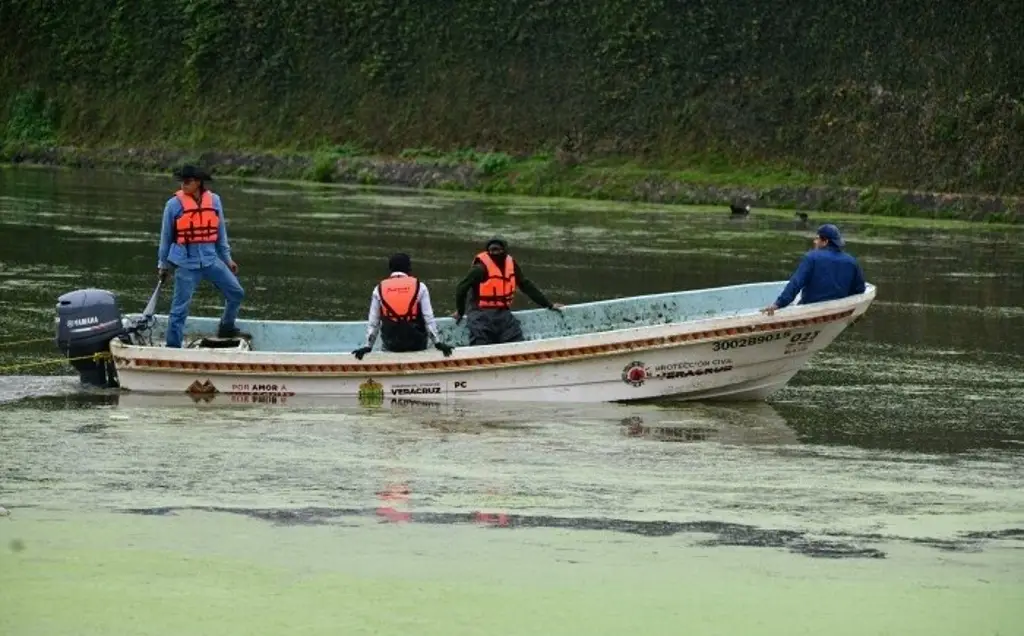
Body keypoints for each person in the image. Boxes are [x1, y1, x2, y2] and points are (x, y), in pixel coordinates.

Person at [157, 165, 245, 348]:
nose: (183, 184)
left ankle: (226, 327)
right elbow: (165, 238)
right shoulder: (173, 205)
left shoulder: (214, 201)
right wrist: (163, 266)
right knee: (179, 310)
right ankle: (173, 348)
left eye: (187, 181)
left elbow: (221, 234)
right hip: (186, 264)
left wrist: (227, 259)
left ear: (198, 182)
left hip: (211, 260)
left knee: (236, 293)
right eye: (181, 181)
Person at [452, 236, 564, 346]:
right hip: (480, 314)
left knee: (515, 341)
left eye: (498, 250)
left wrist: (548, 304)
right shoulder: (480, 268)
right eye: (492, 250)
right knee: (481, 343)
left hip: (502, 314)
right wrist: (461, 311)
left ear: (505, 251)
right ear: (488, 251)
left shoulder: (511, 265)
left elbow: (526, 286)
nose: (495, 253)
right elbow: (461, 288)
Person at [351, 253, 454, 359]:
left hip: (391, 344)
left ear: (390, 269)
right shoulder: (420, 286)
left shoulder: (379, 288)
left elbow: (373, 322)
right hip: (416, 343)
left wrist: (368, 347)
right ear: (409, 269)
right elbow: (429, 319)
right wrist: (437, 343)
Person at [762, 223, 866, 316]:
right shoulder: (852, 261)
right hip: (836, 311)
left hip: (810, 309)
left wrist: (778, 304)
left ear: (825, 241)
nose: (814, 241)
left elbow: (796, 283)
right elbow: (860, 289)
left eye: (817, 239)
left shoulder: (812, 257)